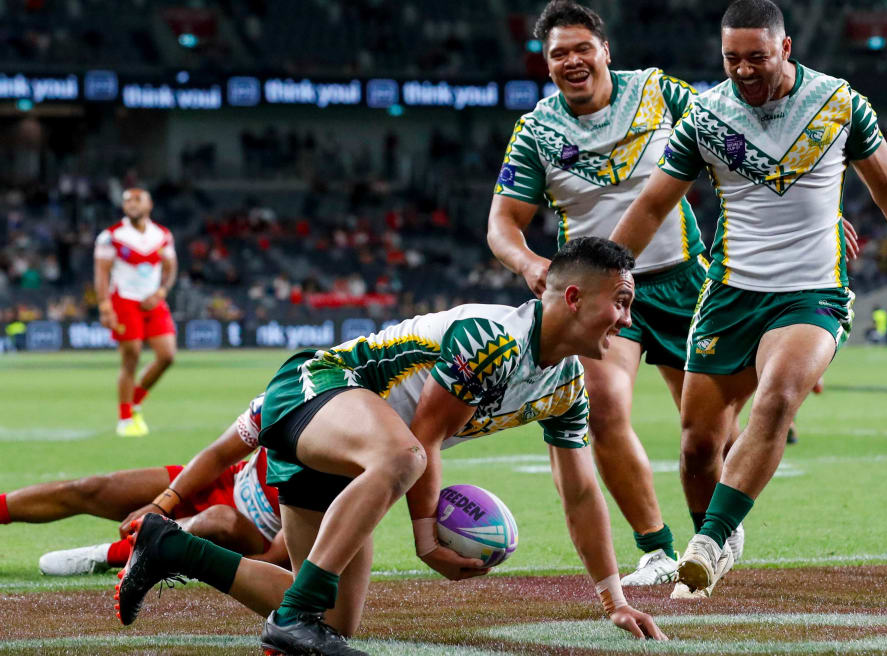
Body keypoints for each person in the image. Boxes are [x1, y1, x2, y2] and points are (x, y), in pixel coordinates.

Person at [115, 237, 667, 655]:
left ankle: (172, 548)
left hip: (355, 452)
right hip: (318, 388)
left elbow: (579, 493)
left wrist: (613, 599)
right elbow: (422, 437)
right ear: (573, 297)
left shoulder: (567, 387)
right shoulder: (492, 339)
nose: (626, 319)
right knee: (404, 457)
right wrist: (427, 541)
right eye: (620, 302)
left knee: (336, 623)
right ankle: (293, 617)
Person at [610, 0, 887, 598]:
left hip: (812, 292)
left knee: (777, 398)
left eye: (756, 57)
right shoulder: (705, 116)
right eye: (731, 59)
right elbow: (653, 203)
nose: (744, 70)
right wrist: (609, 275)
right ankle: (719, 538)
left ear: (787, 48)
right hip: (729, 293)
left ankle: (706, 543)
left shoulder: (838, 103)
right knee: (698, 446)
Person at [0, 394, 286, 574]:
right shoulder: (286, 397)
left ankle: (105, 555)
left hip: (256, 536)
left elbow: (277, 557)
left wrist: (215, 563)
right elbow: (217, 455)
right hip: (221, 484)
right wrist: (162, 503)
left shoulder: (331, 457)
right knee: (92, 488)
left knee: (219, 520)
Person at [94, 188, 178, 437]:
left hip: (153, 302)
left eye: (137, 200)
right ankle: (125, 418)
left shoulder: (162, 235)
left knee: (167, 356)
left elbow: (170, 267)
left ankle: (136, 399)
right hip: (124, 302)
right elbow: (101, 273)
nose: (131, 204)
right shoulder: (111, 236)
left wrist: (161, 292)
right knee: (131, 359)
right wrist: (104, 306)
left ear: (149, 204)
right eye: (127, 200)